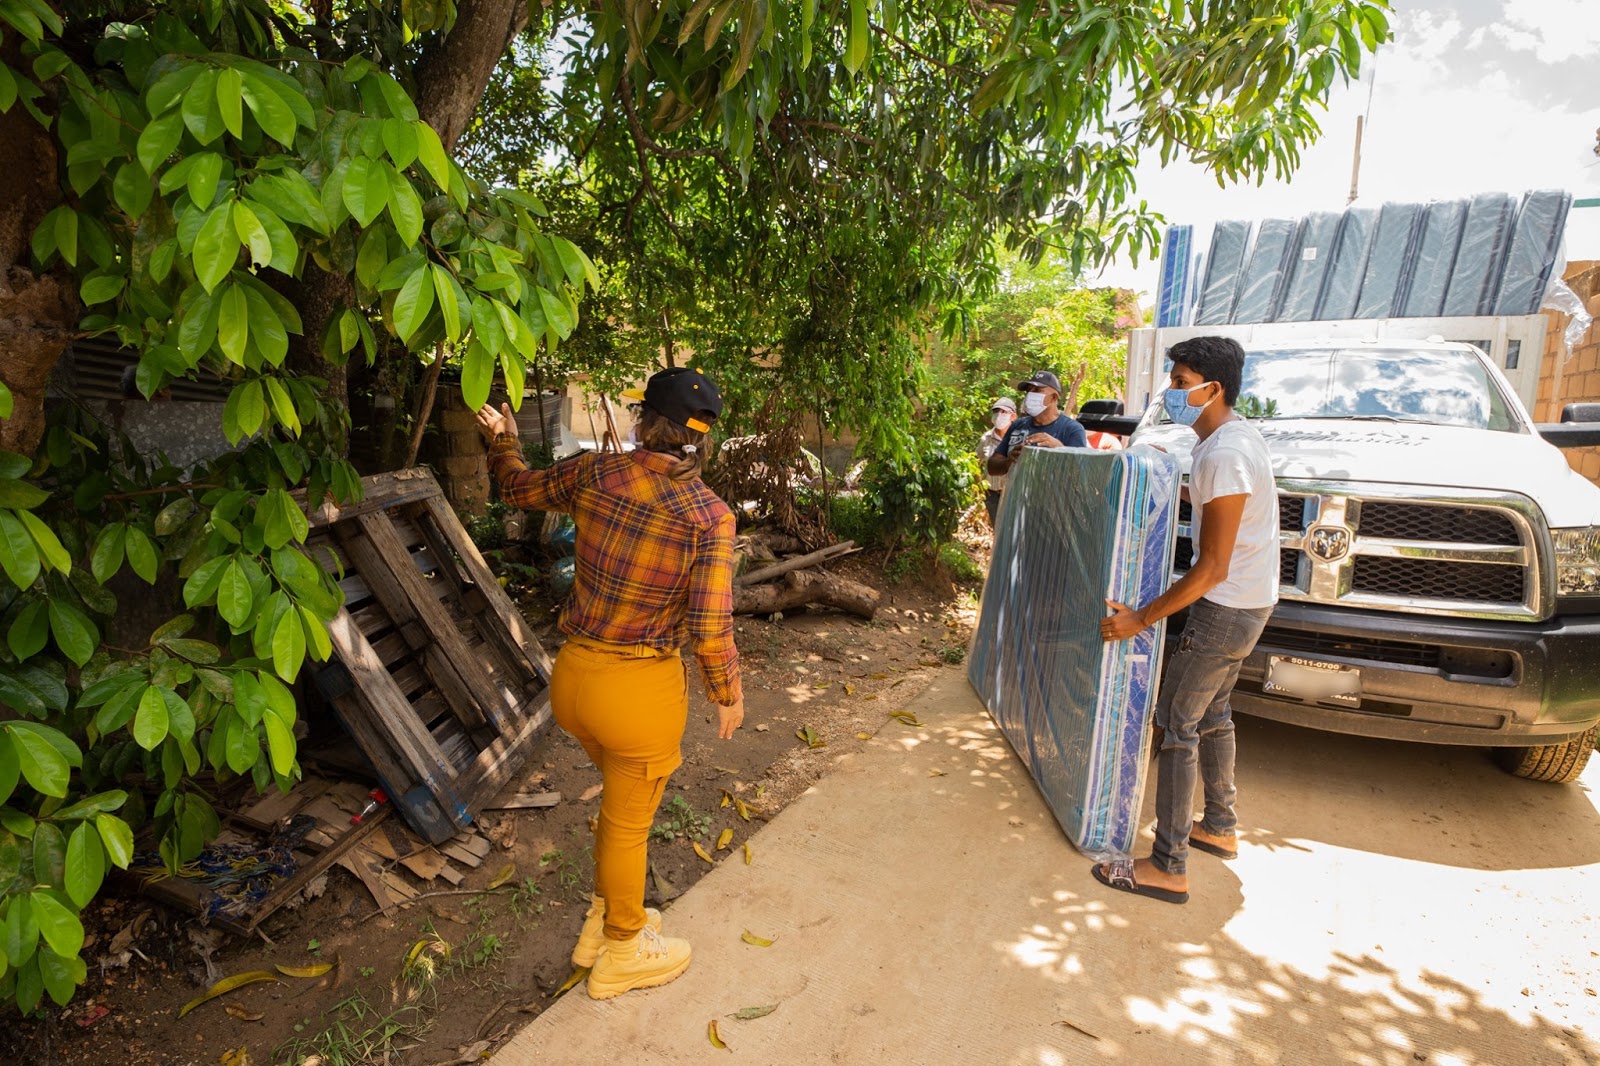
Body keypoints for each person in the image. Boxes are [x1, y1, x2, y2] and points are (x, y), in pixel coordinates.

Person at [477, 366, 745, 997]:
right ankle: (623, 949)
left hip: (573, 681)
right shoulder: (710, 516)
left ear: (644, 421)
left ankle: (602, 925)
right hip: (637, 695)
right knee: (629, 823)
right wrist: (728, 692)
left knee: (623, 812)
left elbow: (515, 488)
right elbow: (710, 625)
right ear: (702, 439)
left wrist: (504, 440)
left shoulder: (596, 472)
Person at [1095, 336, 1279, 905]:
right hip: (1251, 604)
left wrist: (1142, 619)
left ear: (1212, 389)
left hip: (1225, 610)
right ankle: (1219, 825)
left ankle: (1167, 864)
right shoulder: (1232, 439)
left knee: (1176, 725)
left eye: (1180, 383)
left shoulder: (1224, 456)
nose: (1172, 392)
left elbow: (1213, 567)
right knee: (1214, 714)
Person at [985, 370, 1088, 481]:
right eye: (1028, 390)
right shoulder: (1018, 425)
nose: (1030, 394)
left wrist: (1059, 449)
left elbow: (1079, 474)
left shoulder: (1072, 429)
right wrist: (1008, 462)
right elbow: (992, 467)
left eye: (1037, 390)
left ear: (1053, 397)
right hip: (1016, 492)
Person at [978, 396, 1017, 525]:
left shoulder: (1019, 438)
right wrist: (980, 485)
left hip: (1013, 495)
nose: (999, 415)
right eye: (996, 411)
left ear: (1013, 416)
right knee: (998, 528)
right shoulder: (986, 438)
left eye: (1004, 412)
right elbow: (976, 462)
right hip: (992, 495)